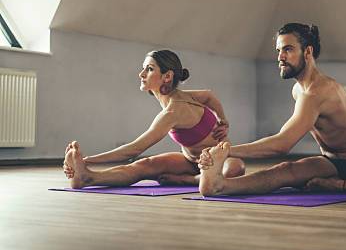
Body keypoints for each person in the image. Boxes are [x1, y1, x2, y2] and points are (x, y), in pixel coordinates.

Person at [197, 23, 346, 196]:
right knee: (285, 170)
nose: (280, 57)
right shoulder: (298, 90)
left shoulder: (317, 92)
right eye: (278, 51)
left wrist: (226, 151)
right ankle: (220, 185)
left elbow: (281, 144)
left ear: (308, 51)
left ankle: (339, 185)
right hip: (331, 161)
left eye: (288, 49)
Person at [62, 50, 245, 188]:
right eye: (143, 68)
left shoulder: (173, 112)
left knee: (235, 167)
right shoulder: (184, 97)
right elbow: (209, 95)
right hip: (190, 161)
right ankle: (87, 177)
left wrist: (87, 159)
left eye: (149, 69)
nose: (141, 74)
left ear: (167, 76)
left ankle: (192, 181)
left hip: (218, 163)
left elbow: (133, 150)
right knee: (145, 164)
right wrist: (223, 120)